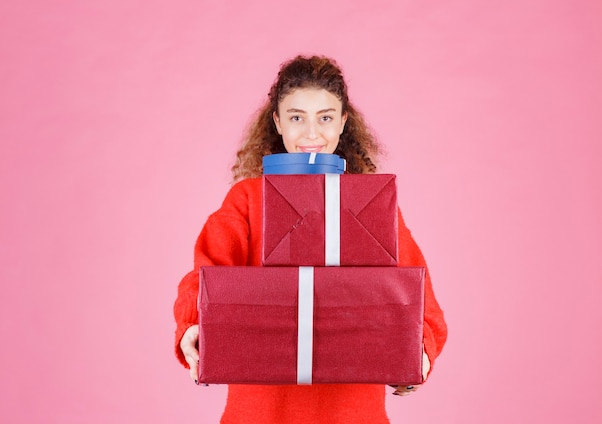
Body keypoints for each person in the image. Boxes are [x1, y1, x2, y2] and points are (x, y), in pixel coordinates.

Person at [174, 55, 447, 423]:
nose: (312, 134)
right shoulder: (247, 199)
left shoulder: (371, 205)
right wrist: (193, 325)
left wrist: (419, 350)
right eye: (297, 117)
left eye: (326, 117)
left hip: (352, 411)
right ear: (278, 122)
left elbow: (420, 294)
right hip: (261, 410)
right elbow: (206, 274)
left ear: (343, 123)